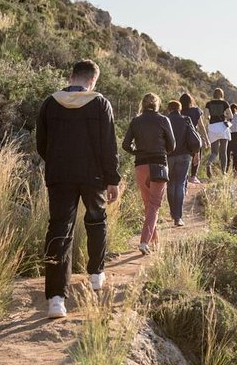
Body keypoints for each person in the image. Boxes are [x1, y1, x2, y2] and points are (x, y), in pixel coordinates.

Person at [36, 59, 121, 319]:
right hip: (93, 175)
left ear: (71, 76)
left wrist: (58, 163)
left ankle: (55, 300)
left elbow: (42, 144)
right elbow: (109, 144)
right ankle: (95, 275)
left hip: (60, 175)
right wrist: (113, 178)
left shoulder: (50, 102)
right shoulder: (99, 102)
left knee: (59, 229)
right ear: (93, 80)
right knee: (96, 221)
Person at [122, 93, 175, 255]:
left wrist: (137, 152)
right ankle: (144, 242)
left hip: (140, 165)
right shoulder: (163, 120)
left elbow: (125, 144)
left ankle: (155, 241)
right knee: (154, 206)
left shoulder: (136, 121)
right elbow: (172, 145)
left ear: (143, 104)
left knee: (149, 205)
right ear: (157, 104)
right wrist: (162, 151)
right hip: (158, 164)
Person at [166, 100, 201, 226]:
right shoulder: (186, 119)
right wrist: (196, 153)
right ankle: (178, 217)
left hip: (169, 156)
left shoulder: (165, 120)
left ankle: (172, 212)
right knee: (180, 184)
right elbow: (194, 138)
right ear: (179, 109)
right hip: (185, 156)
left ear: (168, 109)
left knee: (170, 184)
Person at [179, 93, 208, 183]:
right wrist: (206, 139)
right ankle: (193, 176)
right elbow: (201, 126)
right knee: (197, 154)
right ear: (190, 101)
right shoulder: (196, 111)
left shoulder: (179, 112)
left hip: (181, 137)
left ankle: (184, 176)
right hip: (193, 136)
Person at [204, 88, 233, 178]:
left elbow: (206, 116)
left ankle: (209, 163)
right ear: (221, 95)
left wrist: (210, 119)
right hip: (222, 127)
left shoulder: (209, 103)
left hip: (212, 127)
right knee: (223, 151)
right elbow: (231, 116)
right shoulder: (224, 103)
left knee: (214, 152)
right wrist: (225, 117)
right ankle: (223, 172)